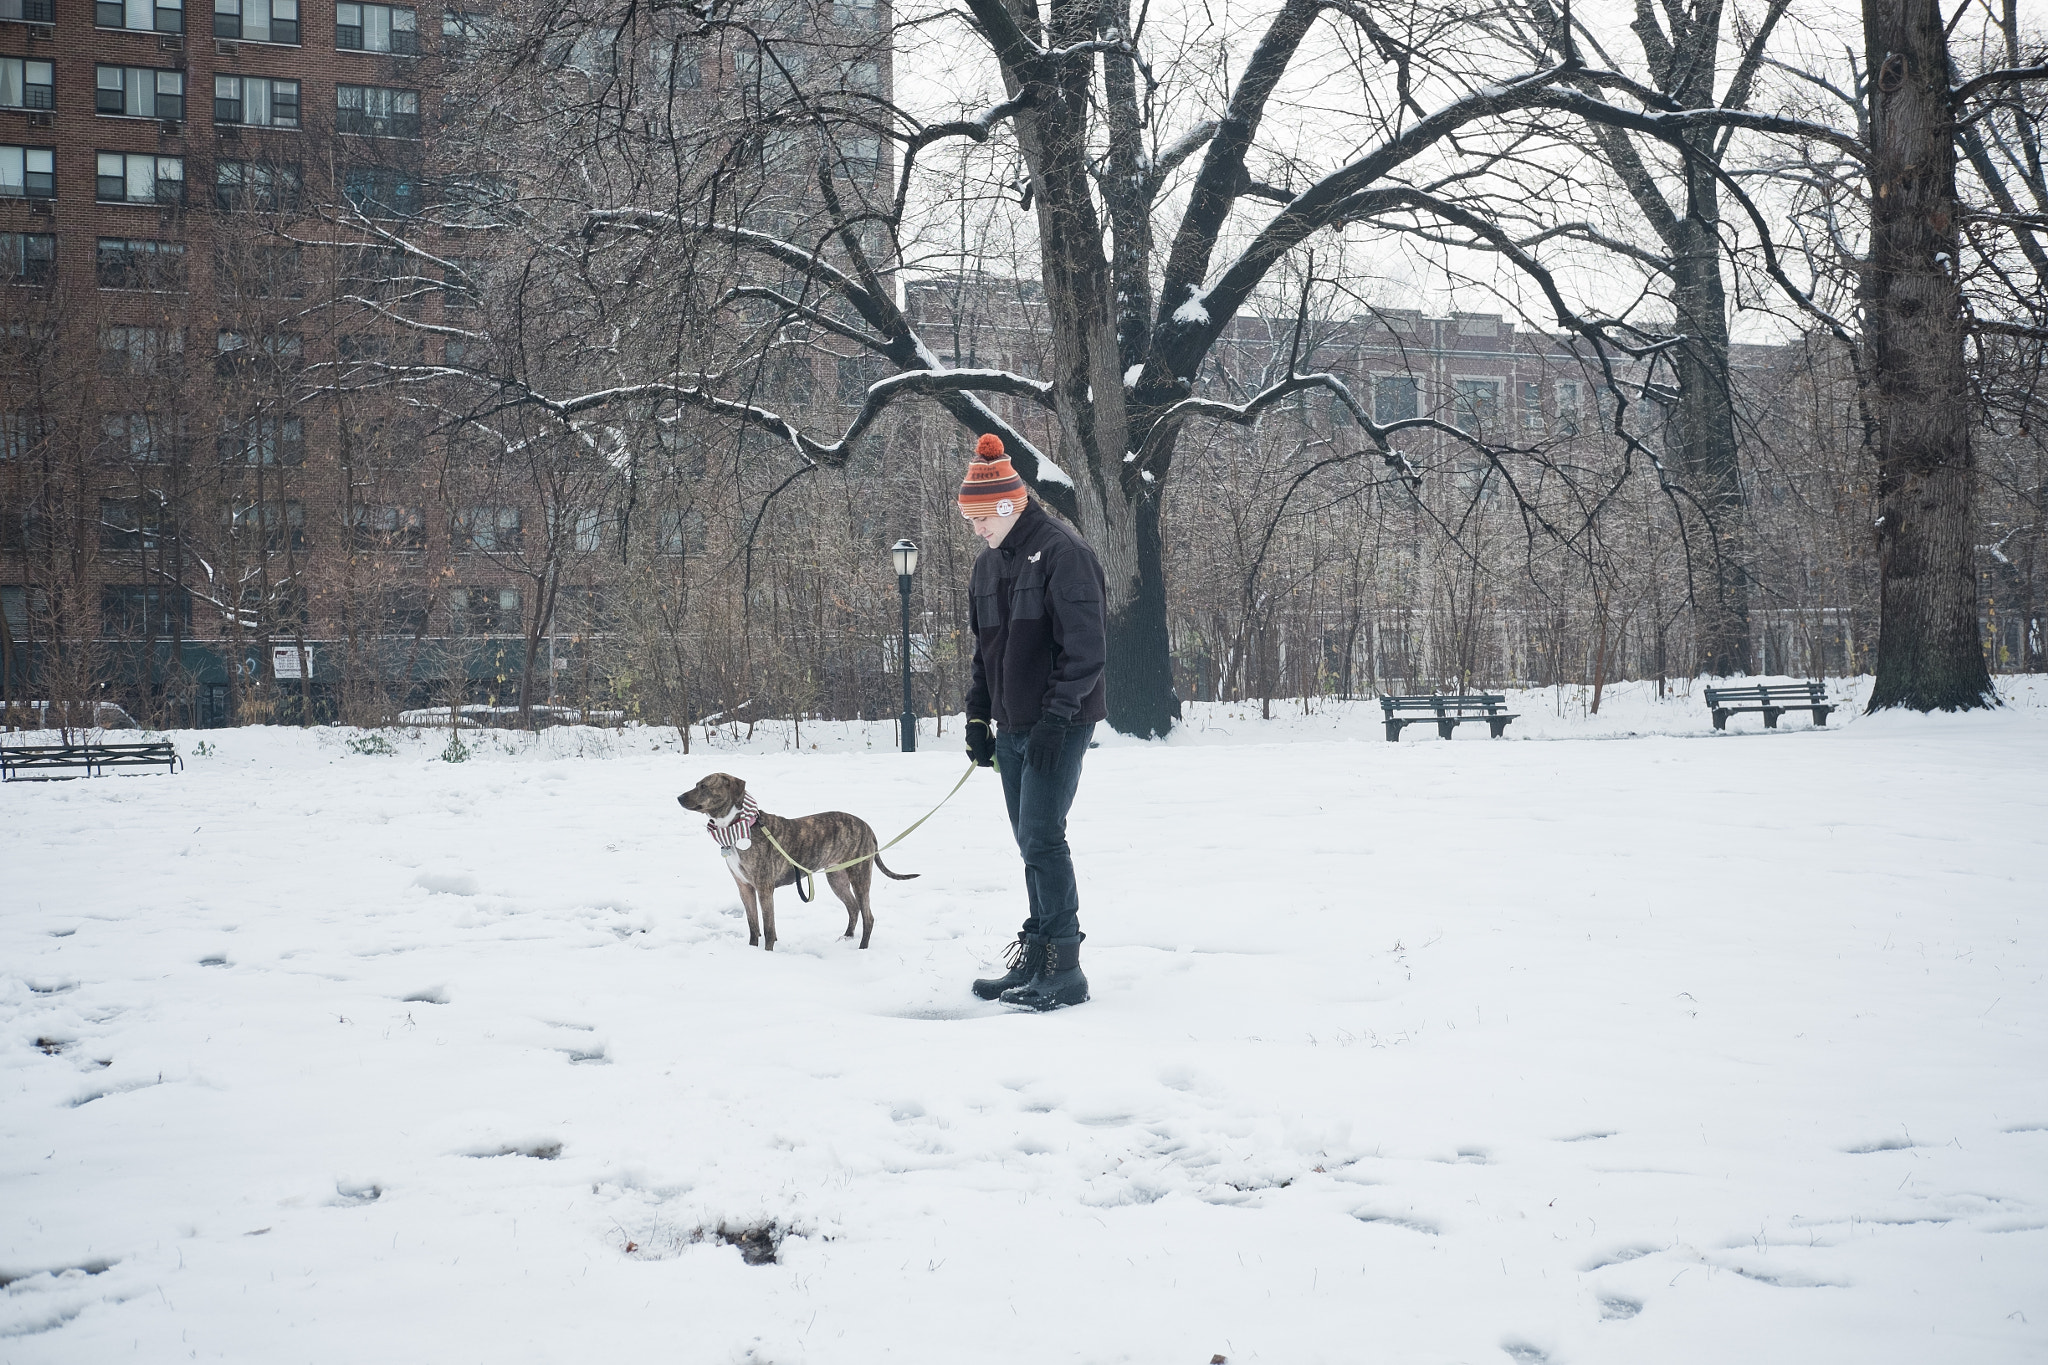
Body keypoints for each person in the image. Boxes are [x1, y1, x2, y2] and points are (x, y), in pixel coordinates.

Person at [957, 433, 1108, 1011]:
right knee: (1029, 841)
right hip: (1014, 724)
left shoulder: (1065, 553)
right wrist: (977, 716)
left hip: (1058, 722)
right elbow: (985, 652)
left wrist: (1056, 718)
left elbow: (1087, 649)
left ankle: (1064, 968)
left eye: (978, 518)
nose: (974, 529)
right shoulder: (988, 566)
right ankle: (1039, 950)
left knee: (1044, 836)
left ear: (1004, 505)